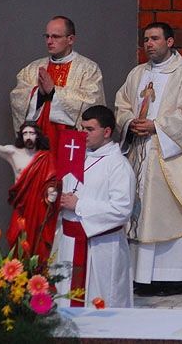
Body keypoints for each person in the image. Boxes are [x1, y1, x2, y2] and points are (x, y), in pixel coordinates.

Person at [115, 22, 182, 296]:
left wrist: (157, 126)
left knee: (174, 215)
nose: (148, 44)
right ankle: (142, 276)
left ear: (170, 42)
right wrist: (129, 122)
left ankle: (177, 277)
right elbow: (122, 104)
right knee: (142, 214)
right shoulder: (137, 74)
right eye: (146, 40)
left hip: (172, 157)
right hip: (141, 155)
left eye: (155, 39)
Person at [53, 105, 135, 308]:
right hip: (69, 244)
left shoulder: (118, 165)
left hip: (100, 247)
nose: (84, 133)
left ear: (107, 132)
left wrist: (79, 204)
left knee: (102, 303)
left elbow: (122, 210)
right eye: (82, 128)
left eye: (90, 129)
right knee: (66, 300)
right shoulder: (76, 155)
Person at [9, 16, 105, 155]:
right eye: (47, 36)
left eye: (55, 37)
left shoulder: (88, 69)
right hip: (38, 144)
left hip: (70, 145)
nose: (49, 41)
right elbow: (17, 98)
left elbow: (92, 103)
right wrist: (38, 93)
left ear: (70, 39)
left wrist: (54, 92)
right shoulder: (33, 68)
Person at [0, 108, 59, 263]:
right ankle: (18, 273)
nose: (28, 136)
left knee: (37, 242)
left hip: (38, 208)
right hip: (21, 207)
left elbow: (51, 180)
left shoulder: (45, 157)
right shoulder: (13, 153)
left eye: (31, 133)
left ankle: (37, 273)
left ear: (37, 135)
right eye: (25, 133)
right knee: (17, 239)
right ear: (21, 135)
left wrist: (51, 191)